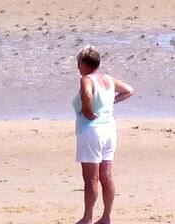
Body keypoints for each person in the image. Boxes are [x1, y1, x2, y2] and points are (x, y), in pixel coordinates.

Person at [72, 46, 136, 224]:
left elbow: (86, 93)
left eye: (78, 63)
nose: (78, 67)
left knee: (91, 177)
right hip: (109, 130)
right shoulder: (108, 79)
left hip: (92, 132)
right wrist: (111, 102)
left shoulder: (87, 79)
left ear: (84, 63)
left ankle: (87, 218)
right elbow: (129, 90)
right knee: (106, 175)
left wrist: (86, 109)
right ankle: (107, 216)